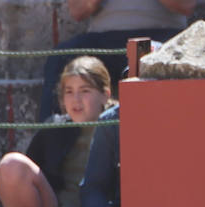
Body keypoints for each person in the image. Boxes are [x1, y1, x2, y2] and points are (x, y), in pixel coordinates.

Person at [0, 56, 114, 207]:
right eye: (69, 91)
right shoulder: (54, 129)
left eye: (85, 91)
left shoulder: (117, 129)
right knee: (11, 165)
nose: (76, 100)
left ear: (105, 95)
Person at [38, 0, 195, 122]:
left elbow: (185, 5)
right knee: (61, 57)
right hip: (103, 39)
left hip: (159, 37)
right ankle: (48, 149)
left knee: (141, 66)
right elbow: (78, 10)